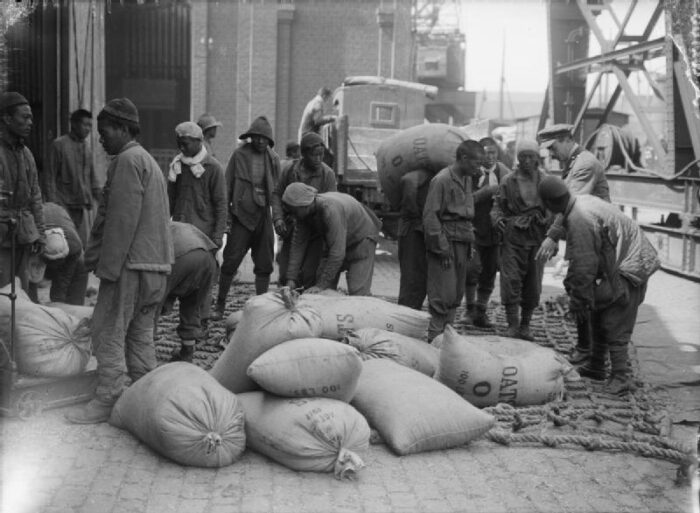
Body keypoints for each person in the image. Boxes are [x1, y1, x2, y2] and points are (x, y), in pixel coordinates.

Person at [66, 98, 173, 424]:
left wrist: (106, 269)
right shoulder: (148, 161)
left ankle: (109, 396)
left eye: (105, 131)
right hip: (156, 266)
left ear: (124, 129)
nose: (100, 139)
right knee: (140, 334)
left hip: (130, 265)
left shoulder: (127, 161)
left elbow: (120, 221)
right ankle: (144, 395)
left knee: (107, 330)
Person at [538, 176, 660, 395]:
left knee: (615, 318)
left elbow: (584, 266)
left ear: (549, 204)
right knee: (598, 307)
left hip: (630, 266)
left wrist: (578, 301)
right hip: (625, 260)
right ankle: (596, 365)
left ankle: (621, 376)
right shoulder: (580, 201)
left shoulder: (579, 219)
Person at [536, 123, 610, 362]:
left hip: (593, 239)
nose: (551, 154)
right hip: (586, 233)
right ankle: (589, 348)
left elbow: (568, 202)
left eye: (553, 147)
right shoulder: (574, 163)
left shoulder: (584, 165)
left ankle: (588, 350)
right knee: (582, 288)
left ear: (567, 139)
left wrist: (552, 235)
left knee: (581, 287)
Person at [212, 116, 280, 319]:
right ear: (250, 138)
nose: (260, 141)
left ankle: (261, 308)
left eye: (264, 138)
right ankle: (220, 305)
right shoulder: (239, 155)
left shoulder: (273, 159)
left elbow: (277, 191)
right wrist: (226, 218)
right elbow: (227, 186)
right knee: (230, 262)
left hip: (263, 216)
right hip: (241, 215)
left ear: (269, 140)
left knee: (265, 262)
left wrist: (277, 217)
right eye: (257, 137)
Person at [423, 140, 483, 342]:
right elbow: (430, 217)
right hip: (446, 243)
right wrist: (442, 248)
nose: (478, 167)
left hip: (462, 242)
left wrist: (469, 245)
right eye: (476, 162)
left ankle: (447, 343)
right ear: (464, 158)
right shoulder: (442, 180)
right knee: (441, 296)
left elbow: (465, 216)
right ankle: (434, 343)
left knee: (456, 295)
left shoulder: (466, 178)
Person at [168, 121, 226, 328]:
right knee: (183, 281)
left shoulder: (213, 168)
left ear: (198, 142)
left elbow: (221, 205)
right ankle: (189, 325)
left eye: (185, 143)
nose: (181, 148)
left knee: (203, 283)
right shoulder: (177, 166)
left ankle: (201, 322)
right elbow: (170, 201)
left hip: (205, 236)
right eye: (179, 143)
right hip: (182, 236)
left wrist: (218, 237)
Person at [491, 140, 551, 341]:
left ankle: (525, 325)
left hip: (537, 237)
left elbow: (557, 209)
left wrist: (553, 236)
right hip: (513, 236)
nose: (526, 160)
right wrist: (498, 218)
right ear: (517, 157)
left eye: (531, 156)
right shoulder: (509, 180)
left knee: (533, 283)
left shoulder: (546, 181)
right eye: (522, 155)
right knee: (510, 279)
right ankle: (512, 324)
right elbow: (497, 205)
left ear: (537, 158)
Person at [282, 183, 381, 295]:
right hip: (337, 243)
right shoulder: (304, 215)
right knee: (320, 292)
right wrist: (291, 279)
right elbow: (298, 246)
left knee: (357, 292)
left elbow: (337, 253)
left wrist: (321, 285)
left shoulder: (330, 210)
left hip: (362, 240)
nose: (293, 216)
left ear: (304, 205)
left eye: (294, 211)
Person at [272, 132, 337, 288]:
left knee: (309, 274)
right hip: (291, 226)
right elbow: (276, 194)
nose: (318, 159)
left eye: (321, 155)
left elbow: (332, 205)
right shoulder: (289, 170)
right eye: (314, 155)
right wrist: (278, 218)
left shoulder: (327, 175)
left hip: (316, 231)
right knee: (286, 273)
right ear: (304, 154)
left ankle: (305, 306)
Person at [0, 92, 45, 291]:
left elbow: (35, 195)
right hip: (2, 235)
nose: (30, 123)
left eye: (31, 118)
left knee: (21, 293)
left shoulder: (26, 154)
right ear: (7, 119)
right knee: (3, 292)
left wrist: (40, 233)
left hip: (23, 234)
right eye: (24, 117)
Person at [463, 137, 510, 326]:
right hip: (473, 228)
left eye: (493, 153)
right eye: (486, 153)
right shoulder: (470, 173)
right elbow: (464, 201)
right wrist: (487, 191)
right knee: (472, 269)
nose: (489, 157)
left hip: (494, 232)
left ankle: (481, 312)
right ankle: (469, 310)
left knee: (490, 271)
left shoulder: (504, 173)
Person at [159, 221, 217, 364]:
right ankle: (187, 353)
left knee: (151, 305)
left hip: (183, 256)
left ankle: (143, 352)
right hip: (209, 259)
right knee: (191, 307)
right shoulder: (173, 226)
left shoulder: (153, 229)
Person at [44, 109, 101, 246]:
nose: (88, 129)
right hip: (63, 205)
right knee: (64, 244)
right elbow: (49, 177)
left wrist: (103, 200)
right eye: (85, 124)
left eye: (90, 126)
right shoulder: (59, 145)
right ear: (74, 124)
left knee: (81, 245)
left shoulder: (86, 148)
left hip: (80, 206)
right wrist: (54, 205)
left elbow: (92, 179)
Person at [31, 202, 88, 305]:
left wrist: (58, 303)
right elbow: (31, 276)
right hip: (39, 231)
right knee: (30, 279)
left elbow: (64, 279)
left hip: (60, 221)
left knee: (81, 265)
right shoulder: (34, 241)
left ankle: (75, 309)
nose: (55, 265)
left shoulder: (74, 246)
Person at [397, 169, 431, 310]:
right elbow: (408, 181)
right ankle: (406, 314)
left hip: (419, 230)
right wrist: (415, 213)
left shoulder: (432, 175)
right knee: (412, 278)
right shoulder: (422, 174)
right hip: (413, 230)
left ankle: (411, 312)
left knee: (419, 277)